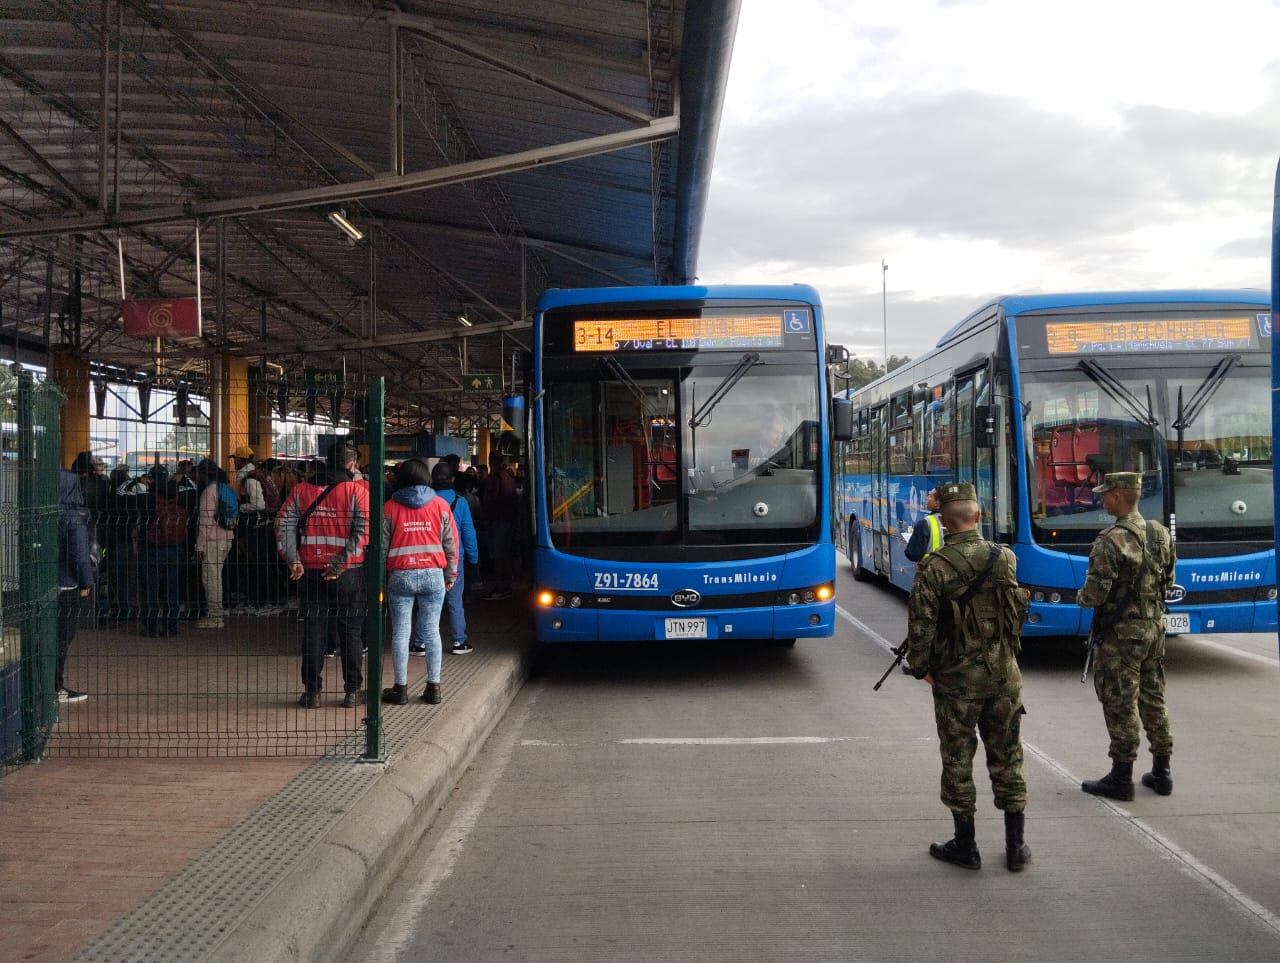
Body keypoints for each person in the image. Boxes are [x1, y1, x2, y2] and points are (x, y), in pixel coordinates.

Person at [905, 481, 1031, 872]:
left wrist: (921, 668)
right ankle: (1015, 848)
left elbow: (921, 626)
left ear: (944, 520)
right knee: (1008, 758)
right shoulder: (1005, 557)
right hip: (1004, 678)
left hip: (956, 682)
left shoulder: (935, 567)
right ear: (978, 515)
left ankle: (966, 846)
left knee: (958, 760)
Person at [1078, 472, 1176, 800]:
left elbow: (1095, 595)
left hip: (1121, 635)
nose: (1102, 499)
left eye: (1105, 494)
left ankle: (1121, 778)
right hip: (1154, 628)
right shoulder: (1160, 533)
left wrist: (1080, 597)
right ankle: (1162, 771)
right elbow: (1168, 579)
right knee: (1153, 696)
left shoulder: (1110, 540)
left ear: (1119, 496)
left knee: (1120, 702)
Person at [278, 443, 369, 708]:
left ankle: (312, 693)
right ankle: (352, 692)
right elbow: (363, 532)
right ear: (351, 464)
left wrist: (293, 559)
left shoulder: (301, 490)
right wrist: (340, 564)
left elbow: (283, 523)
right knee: (350, 631)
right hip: (348, 573)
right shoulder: (357, 492)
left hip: (308, 569)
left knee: (314, 629)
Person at [380, 458, 457, 706]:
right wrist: (451, 575)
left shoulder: (389, 507)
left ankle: (400, 688)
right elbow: (451, 545)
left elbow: (381, 548)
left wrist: (381, 579)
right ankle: (434, 688)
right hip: (433, 576)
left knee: (401, 632)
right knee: (431, 631)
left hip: (400, 576)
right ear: (427, 478)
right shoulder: (441, 505)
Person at [428, 461, 479, 655]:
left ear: (432, 479)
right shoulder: (460, 502)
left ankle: (420, 642)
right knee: (455, 601)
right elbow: (468, 533)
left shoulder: (426, 501)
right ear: (452, 479)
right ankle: (459, 641)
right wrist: (474, 560)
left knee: (427, 602)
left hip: (429, 557)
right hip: (454, 559)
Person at [56, 467, 95, 703]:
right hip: (68, 584)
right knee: (63, 637)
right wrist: (86, 582)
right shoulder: (74, 517)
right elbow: (80, 556)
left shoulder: (45, 512)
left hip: (48, 583)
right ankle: (56, 687)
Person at [140, 477, 186, 637]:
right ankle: (171, 627)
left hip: (153, 549)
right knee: (172, 590)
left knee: (151, 590)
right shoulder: (179, 505)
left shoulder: (150, 502)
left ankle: (151, 626)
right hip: (174, 550)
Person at [193, 459, 235, 629]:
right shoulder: (225, 488)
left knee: (211, 579)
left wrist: (199, 546)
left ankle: (215, 617)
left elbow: (205, 522)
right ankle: (217, 613)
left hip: (212, 540)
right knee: (217, 577)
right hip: (227, 537)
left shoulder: (208, 492)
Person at [481, 453, 518, 599]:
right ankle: (507, 585)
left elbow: (491, 499)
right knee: (506, 554)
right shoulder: (509, 476)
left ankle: (500, 587)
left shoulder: (496, 478)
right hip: (509, 520)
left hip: (497, 520)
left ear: (492, 462)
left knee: (498, 556)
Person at [904, 488, 944, 563]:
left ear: (937, 503)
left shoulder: (925, 523)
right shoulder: (957, 519)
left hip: (930, 567)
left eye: (930, 496)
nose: (927, 498)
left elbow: (912, 554)